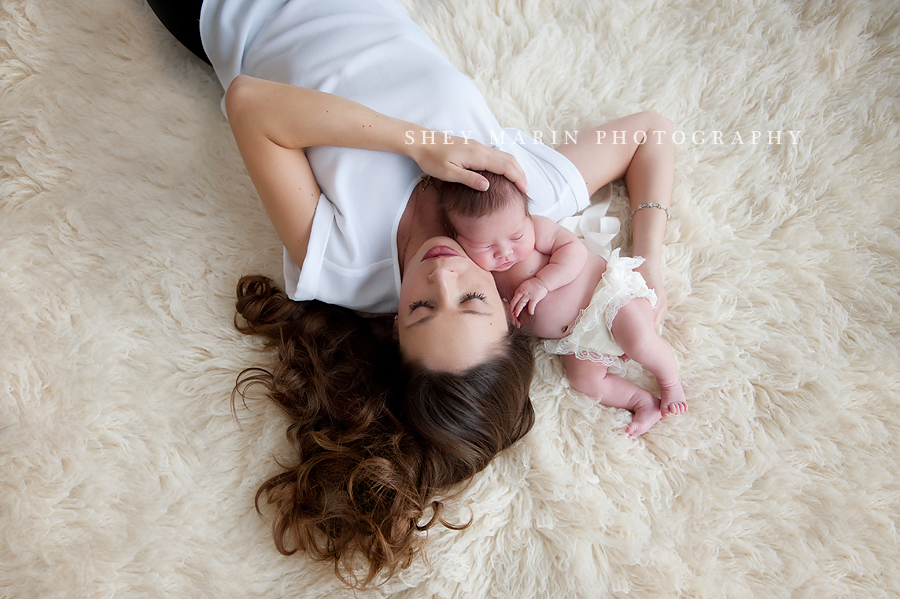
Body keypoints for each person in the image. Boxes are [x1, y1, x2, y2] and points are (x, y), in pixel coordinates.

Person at [148, 0, 677, 587]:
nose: (442, 275)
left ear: (395, 327)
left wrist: (416, 143)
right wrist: (646, 267)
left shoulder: (343, 264)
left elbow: (249, 103)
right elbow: (649, 132)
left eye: (422, 309)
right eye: (473, 301)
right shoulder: (515, 208)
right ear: (508, 312)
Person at [440, 172, 687, 437]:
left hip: (605, 300)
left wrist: (542, 283)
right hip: (577, 341)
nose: (504, 251)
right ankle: (643, 403)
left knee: (639, 342)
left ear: (527, 218)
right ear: (459, 241)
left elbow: (575, 251)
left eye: (515, 237)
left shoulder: (538, 230)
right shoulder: (480, 276)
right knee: (584, 381)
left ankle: (670, 383)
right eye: (485, 245)